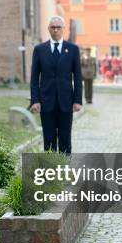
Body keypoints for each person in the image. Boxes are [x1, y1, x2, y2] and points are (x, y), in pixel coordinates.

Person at [30, 16, 82, 154]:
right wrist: (35, 100)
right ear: (48, 29)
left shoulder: (72, 49)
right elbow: (34, 78)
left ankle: (64, 171)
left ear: (63, 29)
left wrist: (77, 100)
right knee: (49, 139)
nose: (55, 30)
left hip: (66, 102)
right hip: (46, 102)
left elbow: (77, 77)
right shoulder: (40, 50)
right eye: (53, 27)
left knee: (65, 139)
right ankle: (50, 171)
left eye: (58, 27)